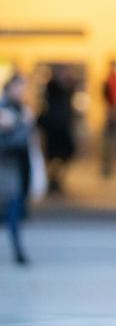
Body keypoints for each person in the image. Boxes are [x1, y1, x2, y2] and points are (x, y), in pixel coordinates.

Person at [0, 74, 33, 265]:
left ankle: (18, 250)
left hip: (18, 169)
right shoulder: (5, 110)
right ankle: (18, 251)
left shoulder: (20, 110)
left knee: (15, 211)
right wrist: (23, 125)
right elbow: (13, 141)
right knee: (12, 211)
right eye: (19, 87)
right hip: (6, 169)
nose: (22, 92)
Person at [37, 66, 76, 193]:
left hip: (61, 126)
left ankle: (55, 177)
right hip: (54, 127)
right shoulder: (53, 86)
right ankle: (53, 178)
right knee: (53, 154)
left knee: (65, 154)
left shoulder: (65, 88)